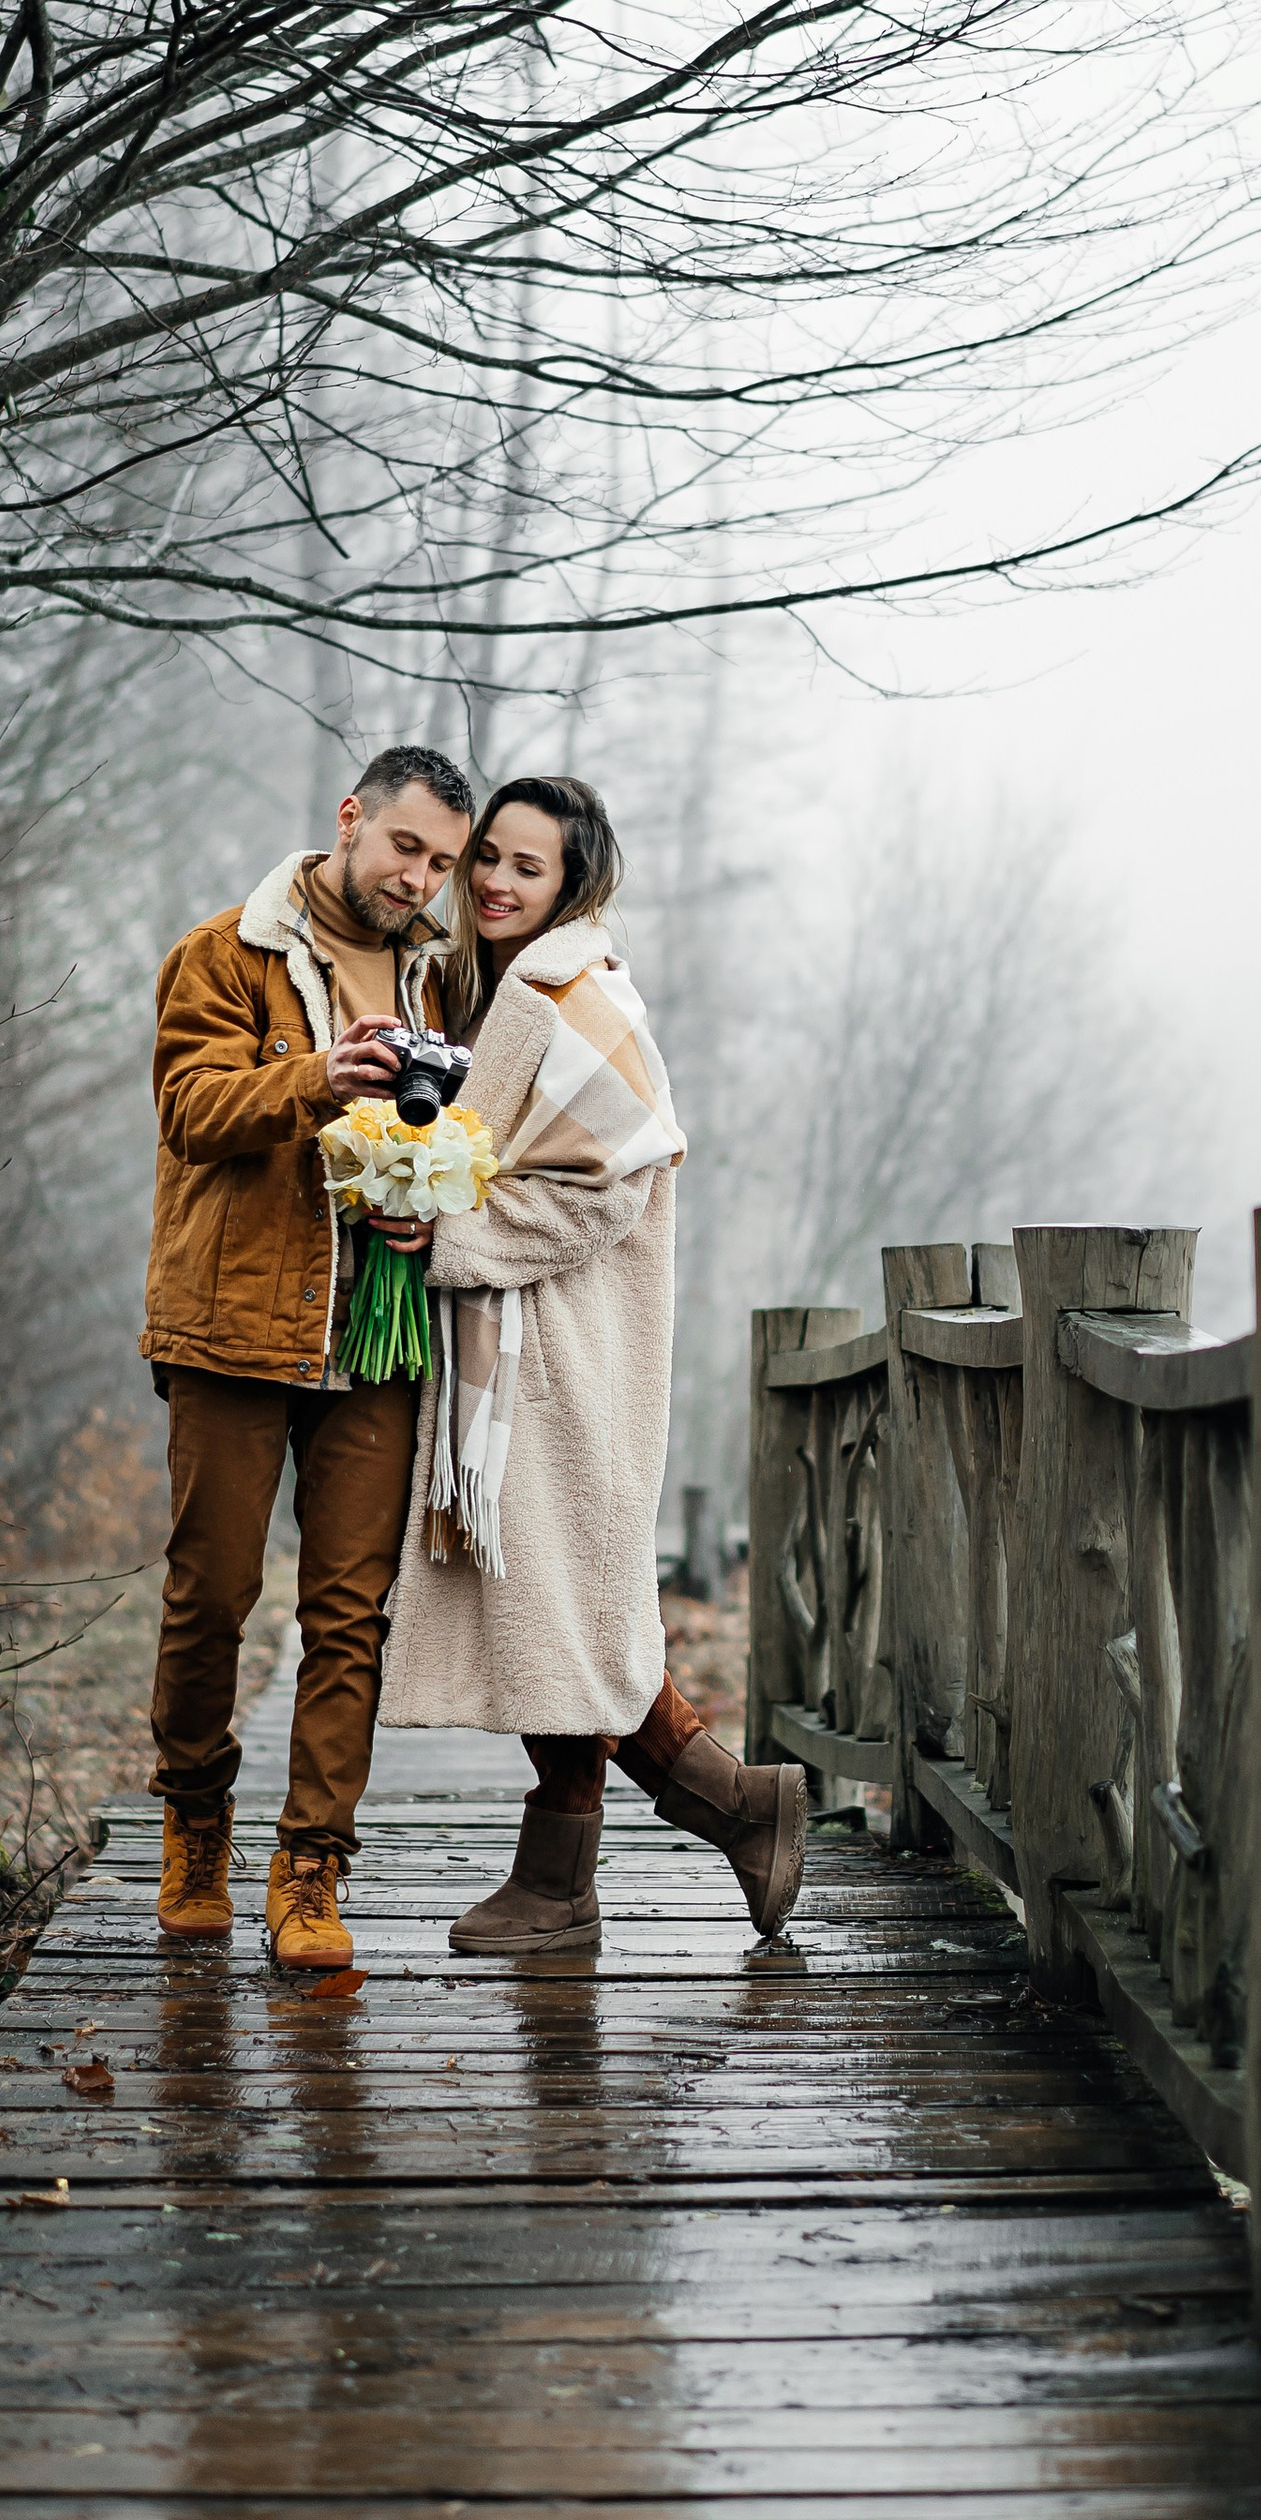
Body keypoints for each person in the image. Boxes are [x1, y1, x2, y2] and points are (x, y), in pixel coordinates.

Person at [379, 774, 806, 1952]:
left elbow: (603, 1184)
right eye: (491, 863)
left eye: (529, 867)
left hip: (562, 1350)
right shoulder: (485, 985)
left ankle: (576, 1877)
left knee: (558, 1612)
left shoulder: (575, 992)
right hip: (507, 1342)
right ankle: (729, 1810)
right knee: (553, 1612)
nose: (500, 883)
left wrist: (449, 1229)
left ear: (574, 883)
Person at [140, 746, 473, 1972]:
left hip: (376, 1334)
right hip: (232, 1324)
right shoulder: (225, 951)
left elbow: (467, 1138)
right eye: (406, 848)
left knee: (350, 1616)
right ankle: (194, 1824)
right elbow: (192, 1111)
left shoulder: (443, 978)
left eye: (441, 860)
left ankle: (311, 1872)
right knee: (209, 1597)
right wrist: (320, 1077)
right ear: (351, 821)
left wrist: (427, 1207)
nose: (420, 877)